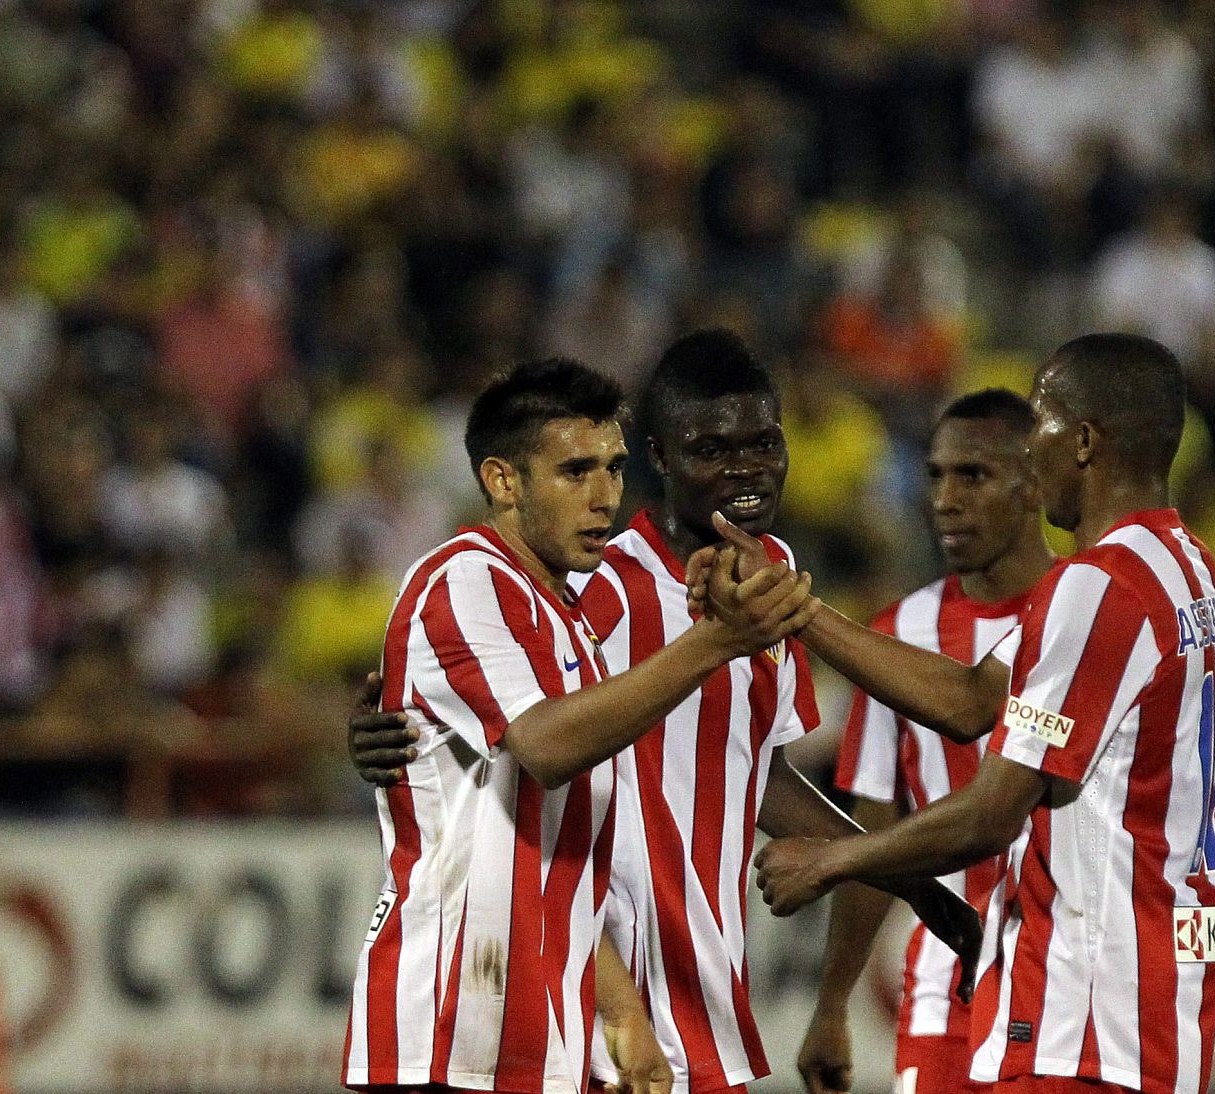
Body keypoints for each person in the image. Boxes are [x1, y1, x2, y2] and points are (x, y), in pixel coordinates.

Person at [348, 332, 981, 1094]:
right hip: (595, 1007)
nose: (744, 467)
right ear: (664, 457)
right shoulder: (595, 590)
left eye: (762, 443)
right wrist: (381, 723)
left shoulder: (767, 581)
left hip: (706, 997)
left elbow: (753, 774)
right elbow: (505, 723)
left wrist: (906, 877)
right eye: (712, 449)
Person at [705, 333, 1215, 1094]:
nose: (1033, 452)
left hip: (1080, 1017)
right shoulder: (1190, 568)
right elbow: (974, 702)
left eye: (1043, 428)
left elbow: (992, 812)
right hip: (1155, 1008)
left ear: (1084, 441)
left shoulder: (1100, 587)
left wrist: (830, 860)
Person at [802, 389, 1055, 1094]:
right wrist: (832, 1003)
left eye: (972, 476)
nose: (945, 498)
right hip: (949, 989)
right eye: (936, 475)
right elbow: (875, 823)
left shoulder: (1095, 612)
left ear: (1034, 480)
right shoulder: (896, 636)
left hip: (1068, 982)